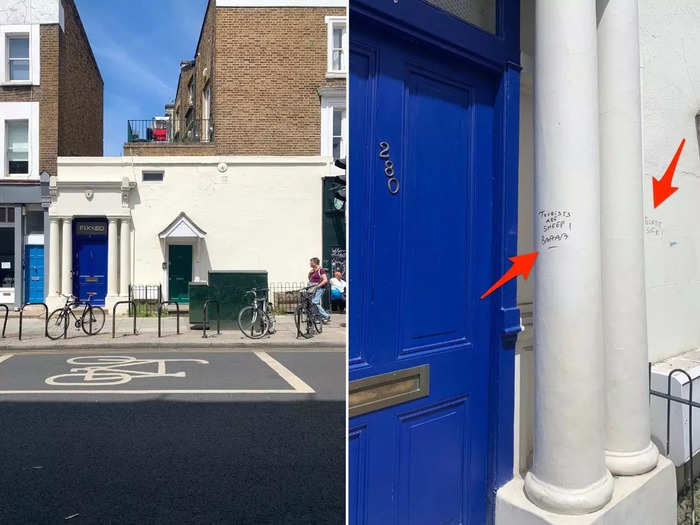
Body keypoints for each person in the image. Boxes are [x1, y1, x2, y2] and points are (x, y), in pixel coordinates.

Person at [307, 257, 331, 322]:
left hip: (319, 288)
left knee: (314, 302)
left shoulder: (321, 270)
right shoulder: (313, 270)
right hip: (312, 288)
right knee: (314, 303)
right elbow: (310, 279)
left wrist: (318, 286)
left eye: (311, 262)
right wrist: (309, 273)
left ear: (314, 263)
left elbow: (325, 280)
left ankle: (326, 316)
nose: (310, 263)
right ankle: (318, 317)